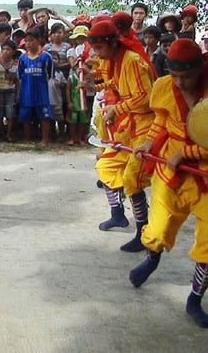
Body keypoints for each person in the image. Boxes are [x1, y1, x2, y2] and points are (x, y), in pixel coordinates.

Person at [128, 38, 208, 328]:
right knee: (159, 227)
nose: (179, 82)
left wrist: (185, 153)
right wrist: (151, 141)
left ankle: (195, 298)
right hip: (170, 171)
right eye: (174, 76)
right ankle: (152, 257)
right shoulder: (164, 86)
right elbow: (161, 121)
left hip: (204, 174)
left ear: (200, 69)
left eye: (185, 77)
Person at [87, 20, 154, 252]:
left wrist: (117, 109)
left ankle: (143, 232)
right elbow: (112, 84)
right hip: (126, 125)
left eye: (98, 48)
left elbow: (146, 96)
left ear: (112, 42)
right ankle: (118, 214)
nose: (96, 53)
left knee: (132, 179)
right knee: (105, 165)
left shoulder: (132, 61)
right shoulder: (113, 59)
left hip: (144, 128)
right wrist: (92, 85)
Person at [17, 27, 54, 146]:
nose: (28, 43)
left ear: (38, 40)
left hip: (41, 93)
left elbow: (50, 75)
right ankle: (27, 139)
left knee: (44, 116)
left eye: (31, 40)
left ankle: (45, 139)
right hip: (26, 92)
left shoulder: (46, 57)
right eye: (26, 41)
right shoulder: (22, 58)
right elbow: (20, 75)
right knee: (26, 116)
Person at [0, 40, 19, 142]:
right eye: (3, 49)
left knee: (10, 113)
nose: (5, 51)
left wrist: (17, 93)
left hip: (10, 91)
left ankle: (9, 133)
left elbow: (17, 81)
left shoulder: (16, 65)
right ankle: (1, 133)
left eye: (8, 49)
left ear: (13, 51)